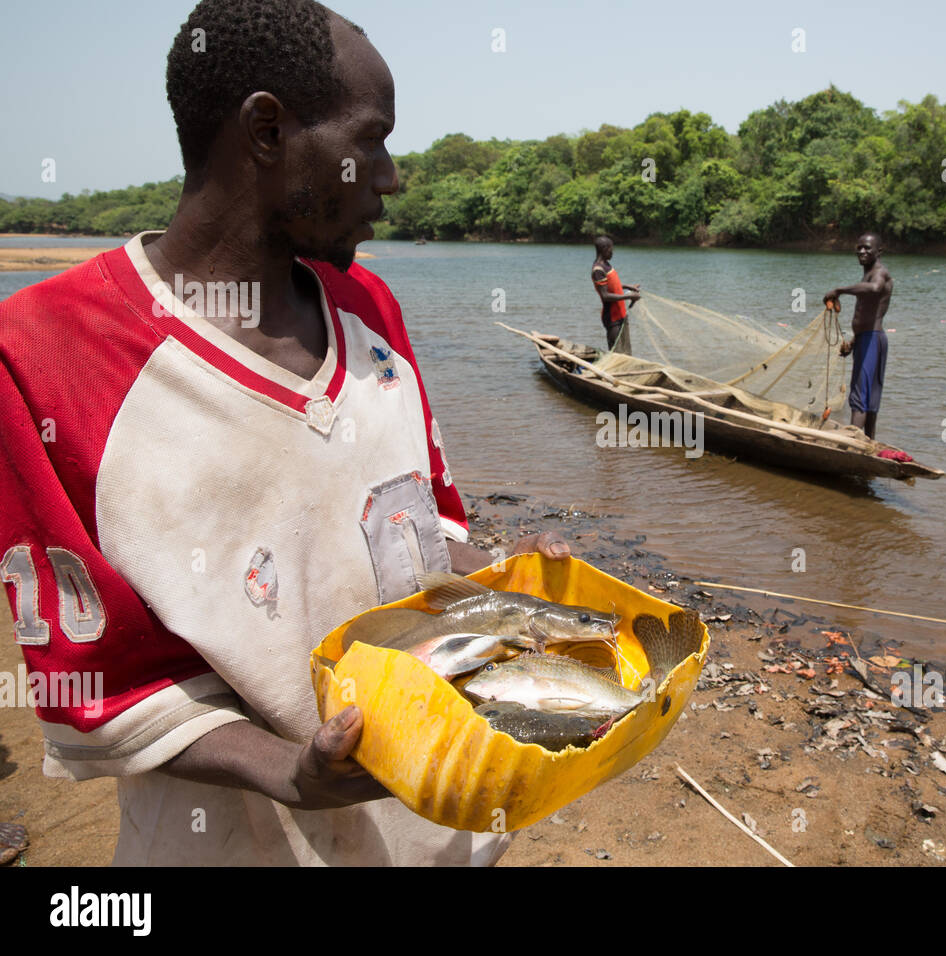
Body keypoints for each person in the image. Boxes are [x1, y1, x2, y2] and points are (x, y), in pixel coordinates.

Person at [0, 0, 569, 866]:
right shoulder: (44, 354)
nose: (391, 176)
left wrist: (510, 587)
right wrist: (288, 768)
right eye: (370, 139)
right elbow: (99, 677)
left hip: (440, 828)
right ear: (266, 130)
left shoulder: (368, 307)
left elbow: (418, 534)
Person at [824, 233, 892, 439]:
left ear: (879, 251)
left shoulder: (879, 274)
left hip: (872, 339)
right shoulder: (868, 274)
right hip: (867, 339)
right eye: (859, 247)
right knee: (869, 396)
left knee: (860, 396)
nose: (862, 251)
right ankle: (870, 442)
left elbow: (874, 289)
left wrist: (839, 290)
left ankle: (852, 444)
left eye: (867, 248)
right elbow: (868, 313)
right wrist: (854, 342)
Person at [590, 236, 640, 353]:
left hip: (621, 314)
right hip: (612, 319)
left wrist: (628, 287)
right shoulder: (598, 270)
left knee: (626, 351)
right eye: (611, 249)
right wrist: (629, 296)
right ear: (604, 249)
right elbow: (605, 296)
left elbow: (612, 285)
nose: (612, 252)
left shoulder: (606, 265)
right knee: (616, 352)